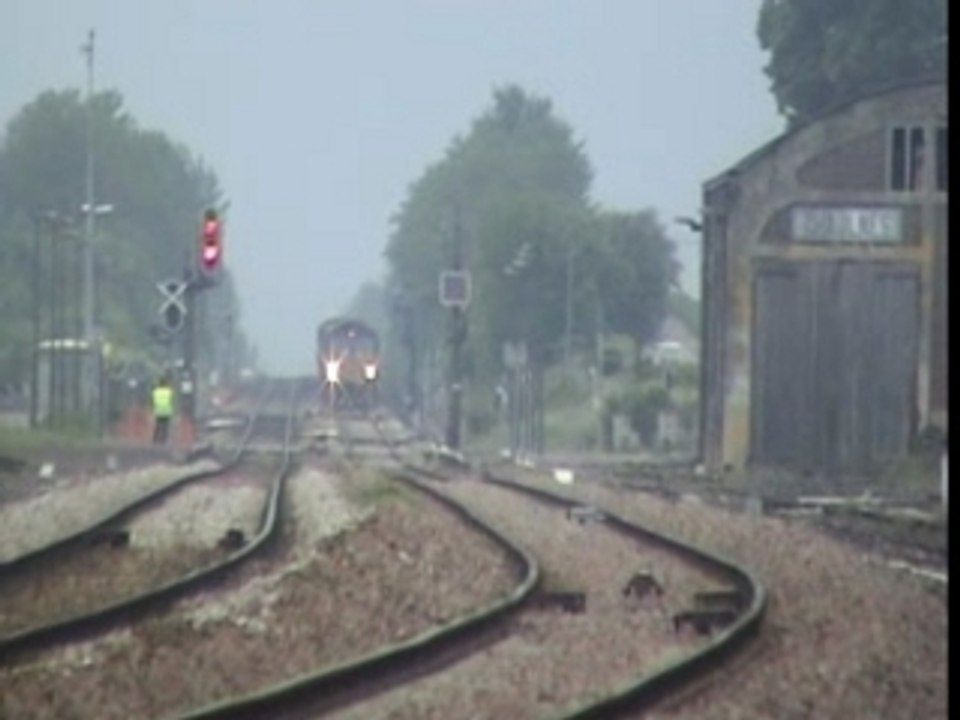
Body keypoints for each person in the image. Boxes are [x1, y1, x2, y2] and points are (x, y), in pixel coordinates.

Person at [151, 374, 174, 445]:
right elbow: (171, 400)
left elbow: (153, 401)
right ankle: (163, 440)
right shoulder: (169, 391)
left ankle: (155, 439)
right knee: (165, 426)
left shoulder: (156, 391)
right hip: (166, 410)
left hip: (158, 410)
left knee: (158, 425)